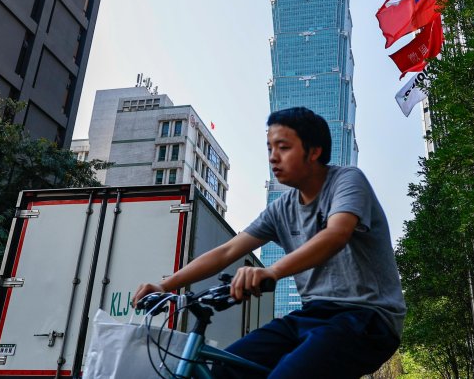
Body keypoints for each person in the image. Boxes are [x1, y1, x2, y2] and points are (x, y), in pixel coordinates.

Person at [133, 106, 405, 379]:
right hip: (311, 315)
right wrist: (165, 285)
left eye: (283, 148)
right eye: (270, 149)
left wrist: (272, 271)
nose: (273, 158)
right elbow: (227, 251)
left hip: (368, 317)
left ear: (314, 151)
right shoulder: (282, 209)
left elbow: (336, 235)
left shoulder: (346, 181)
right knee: (227, 366)